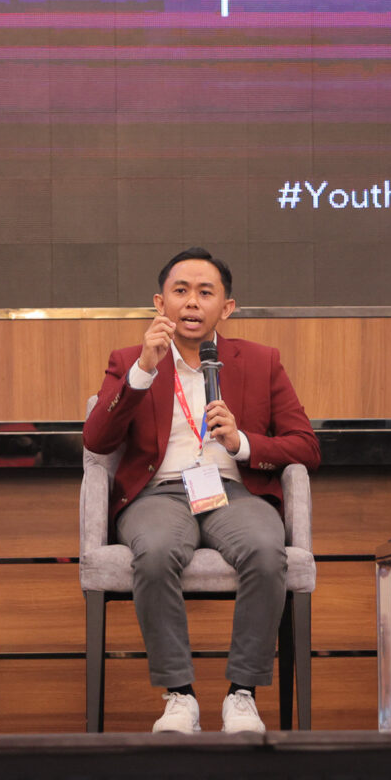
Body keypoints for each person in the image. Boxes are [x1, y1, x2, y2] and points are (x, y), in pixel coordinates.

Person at [82, 247, 320, 733]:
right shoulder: (129, 361)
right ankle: (179, 696)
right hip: (158, 494)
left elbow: (306, 446)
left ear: (226, 307)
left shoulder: (261, 361)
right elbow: (97, 440)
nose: (192, 302)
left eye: (205, 293)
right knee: (154, 552)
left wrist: (242, 443)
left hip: (233, 491)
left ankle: (242, 694)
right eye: (181, 291)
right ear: (160, 303)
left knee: (265, 548)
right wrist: (142, 371)